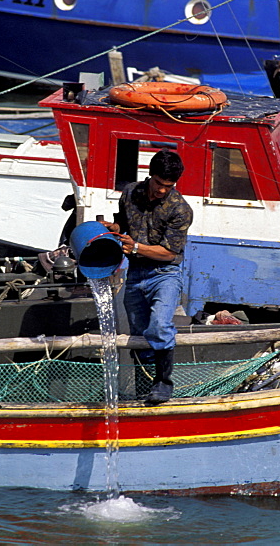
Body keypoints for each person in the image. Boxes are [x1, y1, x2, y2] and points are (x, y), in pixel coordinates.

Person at [102, 149, 193, 404]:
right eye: (159, 184)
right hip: (135, 274)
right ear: (149, 175)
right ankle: (145, 389)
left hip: (164, 274)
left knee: (160, 325)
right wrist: (113, 228)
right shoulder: (130, 191)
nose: (163, 190)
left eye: (169, 186)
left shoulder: (181, 210)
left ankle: (164, 383)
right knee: (140, 335)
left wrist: (137, 247)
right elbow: (124, 223)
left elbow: (168, 253)